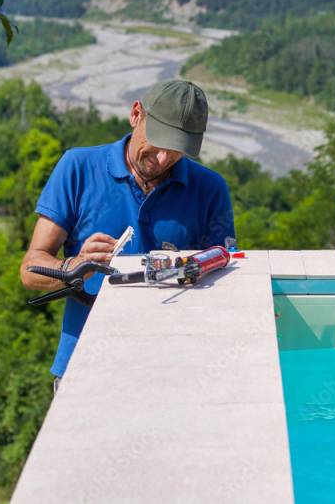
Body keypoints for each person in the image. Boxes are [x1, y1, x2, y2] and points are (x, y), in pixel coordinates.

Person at [19, 80, 235, 394]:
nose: (163, 159)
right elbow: (29, 270)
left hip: (175, 370)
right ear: (136, 114)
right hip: (85, 367)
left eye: (176, 151)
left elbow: (226, 275)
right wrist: (75, 266)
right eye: (158, 142)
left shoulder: (211, 189)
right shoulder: (77, 168)